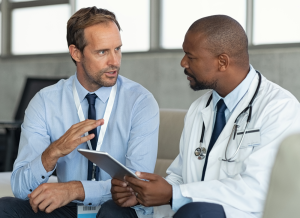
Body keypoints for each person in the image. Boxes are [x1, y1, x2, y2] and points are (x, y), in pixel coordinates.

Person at [110, 15, 300, 218]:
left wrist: (174, 194)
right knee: (114, 211)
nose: (183, 63)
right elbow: (180, 177)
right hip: (193, 211)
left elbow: (258, 191)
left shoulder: (279, 109)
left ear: (222, 62)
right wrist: (144, 193)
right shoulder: (199, 108)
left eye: (190, 57)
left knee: (197, 213)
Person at [0, 7, 159, 218]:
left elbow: (136, 187)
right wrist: (53, 152)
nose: (115, 61)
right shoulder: (45, 102)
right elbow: (21, 188)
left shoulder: (140, 101)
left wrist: (75, 189)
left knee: (113, 213)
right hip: (69, 209)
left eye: (117, 49)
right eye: (102, 52)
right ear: (76, 53)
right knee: (5, 208)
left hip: (119, 207)